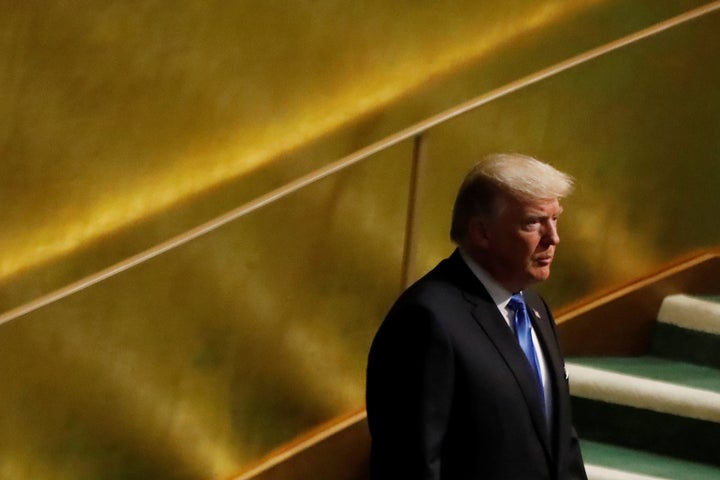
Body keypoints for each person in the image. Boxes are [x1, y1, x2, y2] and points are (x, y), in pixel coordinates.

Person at [366, 153, 587, 480]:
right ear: (482, 232)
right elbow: (410, 464)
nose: (553, 238)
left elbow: (559, 439)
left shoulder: (535, 308)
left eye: (555, 219)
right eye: (532, 223)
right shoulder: (426, 319)